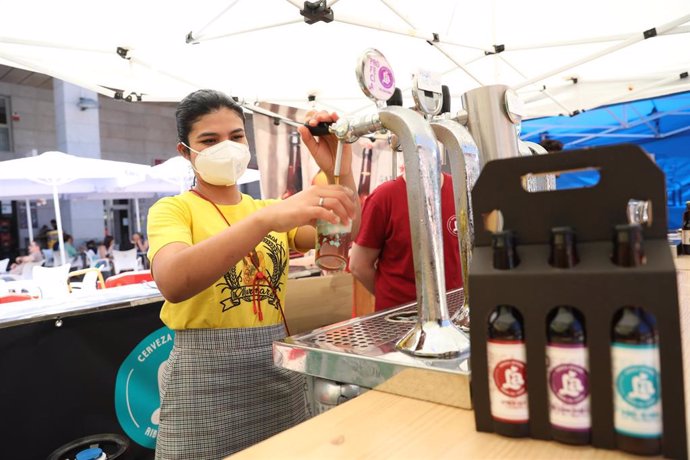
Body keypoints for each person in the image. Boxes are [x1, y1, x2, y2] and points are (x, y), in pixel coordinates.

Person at [147, 89, 360, 459]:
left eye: (236, 136)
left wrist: (338, 166)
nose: (226, 147)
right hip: (203, 380)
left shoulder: (269, 208)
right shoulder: (173, 210)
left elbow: (339, 231)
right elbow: (173, 281)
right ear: (186, 151)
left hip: (275, 369)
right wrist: (264, 221)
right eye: (209, 140)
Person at [349, 171, 461, 311]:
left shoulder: (460, 189)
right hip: (398, 320)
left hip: (453, 313)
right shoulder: (384, 197)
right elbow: (358, 266)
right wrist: (392, 299)